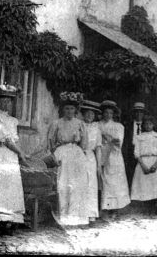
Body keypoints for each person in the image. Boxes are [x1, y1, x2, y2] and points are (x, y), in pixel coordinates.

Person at [0, 87, 29, 232]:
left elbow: (14, 140)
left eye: (9, 101)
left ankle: (8, 219)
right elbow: (4, 140)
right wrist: (20, 153)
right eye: (3, 101)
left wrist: (20, 153)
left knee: (9, 183)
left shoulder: (12, 120)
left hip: (10, 155)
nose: (6, 104)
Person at [47, 92, 89, 226]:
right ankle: (63, 217)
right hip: (62, 153)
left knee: (77, 185)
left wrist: (79, 152)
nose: (69, 111)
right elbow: (50, 142)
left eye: (72, 108)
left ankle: (76, 217)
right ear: (63, 109)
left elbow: (84, 143)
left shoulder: (80, 124)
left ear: (76, 110)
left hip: (76, 153)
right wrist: (55, 155)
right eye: (67, 108)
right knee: (63, 184)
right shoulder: (57, 123)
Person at [98, 100, 131, 220]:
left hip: (114, 157)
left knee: (114, 182)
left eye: (110, 113)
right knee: (102, 181)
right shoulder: (97, 125)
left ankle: (114, 209)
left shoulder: (118, 126)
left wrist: (107, 139)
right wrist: (105, 140)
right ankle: (103, 208)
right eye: (106, 113)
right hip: (100, 154)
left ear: (113, 114)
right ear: (102, 113)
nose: (108, 115)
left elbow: (118, 142)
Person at [130, 116, 157, 210]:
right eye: (146, 124)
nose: (148, 126)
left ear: (153, 125)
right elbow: (137, 153)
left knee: (155, 186)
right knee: (144, 186)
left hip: (155, 161)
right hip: (143, 162)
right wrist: (143, 166)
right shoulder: (139, 137)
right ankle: (145, 208)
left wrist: (155, 165)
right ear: (143, 125)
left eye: (150, 124)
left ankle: (154, 208)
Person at [80, 100, 103, 222]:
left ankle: (91, 213)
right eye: (87, 113)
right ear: (83, 114)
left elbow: (98, 147)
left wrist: (99, 165)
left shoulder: (96, 128)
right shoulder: (79, 125)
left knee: (91, 185)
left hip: (90, 157)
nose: (89, 116)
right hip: (78, 156)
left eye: (92, 114)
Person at [122, 102, 147, 188]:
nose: (139, 114)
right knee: (130, 174)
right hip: (131, 153)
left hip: (143, 153)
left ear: (143, 114)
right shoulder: (127, 126)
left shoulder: (147, 126)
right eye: (137, 112)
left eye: (141, 112)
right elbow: (124, 142)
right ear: (133, 113)